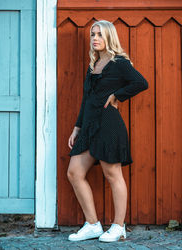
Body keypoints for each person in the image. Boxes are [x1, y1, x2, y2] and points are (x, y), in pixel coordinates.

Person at [67, 20, 148, 242]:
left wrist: (117, 95)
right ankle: (93, 225)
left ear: (109, 37)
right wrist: (77, 128)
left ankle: (118, 227)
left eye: (100, 35)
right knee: (74, 172)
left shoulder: (118, 62)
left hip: (109, 125)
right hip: (89, 127)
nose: (95, 38)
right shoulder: (93, 64)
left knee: (113, 174)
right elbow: (86, 99)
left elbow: (141, 83)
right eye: (93, 34)